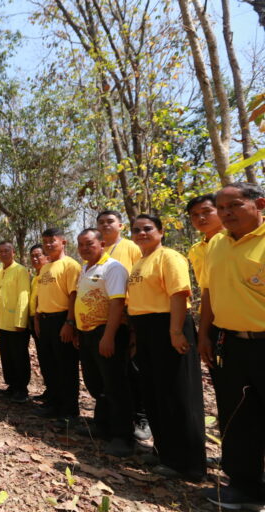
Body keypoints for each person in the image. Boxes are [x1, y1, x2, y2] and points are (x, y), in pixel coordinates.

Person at [198, 183, 265, 509]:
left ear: (259, 204)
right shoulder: (217, 245)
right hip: (231, 344)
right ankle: (244, 488)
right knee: (236, 417)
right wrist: (204, 334)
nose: (226, 213)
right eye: (221, 208)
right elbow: (209, 292)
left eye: (234, 205)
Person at [127, 214, 205, 481]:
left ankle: (189, 463)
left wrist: (174, 331)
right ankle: (165, 452)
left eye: (148, 228)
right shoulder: (139, 263)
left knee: (177, 394)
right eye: (136, 230)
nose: (141, 233)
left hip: (169, 327)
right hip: (146, 329)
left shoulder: (170, 257)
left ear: (161, 231)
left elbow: (178, 294)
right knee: (155, 393)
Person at [74, 229, 133, 457]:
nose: (84, 248)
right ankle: (103, 425)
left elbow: (117, 304)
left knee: (115, 384)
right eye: (80, 245)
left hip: (106, 332)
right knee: (95, 382)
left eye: (89, 244)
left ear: (101, 243)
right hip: (87, 333)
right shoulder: (85, 268)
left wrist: (109, 336)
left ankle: (122, 436)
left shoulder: (113, 268)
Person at [97, 209, 151, 442]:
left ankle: (142, 418)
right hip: (107, 318)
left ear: (120, 226)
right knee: (116, 372)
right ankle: (118, 416)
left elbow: (138, 279)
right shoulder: (98, 249)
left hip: (129, 314)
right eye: (101, 223)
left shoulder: (130, 247)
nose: (106, 226)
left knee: (135, 369)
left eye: (110, 222)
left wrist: (130, 317)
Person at [34, 228, 81, 423]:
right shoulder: (45, 268)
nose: (48, 244)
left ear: (63, 242)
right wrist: (37, 319)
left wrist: (69, 322)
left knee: (66, 366)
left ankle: (69, 410)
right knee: (49, 364)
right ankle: (54, 403)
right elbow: (40, 297)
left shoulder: (70, 265)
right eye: (45, 241)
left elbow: (73, 295)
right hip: (44, 320)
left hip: (61, 319)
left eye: (52, 241)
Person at [0, 241, 31, 403]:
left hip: (16, 323)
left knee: (19, 356)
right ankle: (12, 385)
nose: (3, 254)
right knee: (6, 355)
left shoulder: (20, 271)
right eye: (0, 251)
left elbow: (24, 296)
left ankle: (21, 389)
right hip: (2, 322)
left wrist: (21, 321)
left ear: (13, 252)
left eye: (6, 251)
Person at [186, 194, 224, 284]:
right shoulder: (195, 250)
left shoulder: (237, 239)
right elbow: (204, 286)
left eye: (207, 211)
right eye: (195, 215)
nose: (201, 218)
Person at [28, 244, 49, 401]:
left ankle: (55, 393)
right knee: (43, 356)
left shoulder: (47, 275)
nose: (35, 259)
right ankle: (49, 390)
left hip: (44, 320)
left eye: (38, 255)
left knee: (49, 357)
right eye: (32, 256)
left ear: (46, 256)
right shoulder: (36, 276)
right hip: (34, 319)